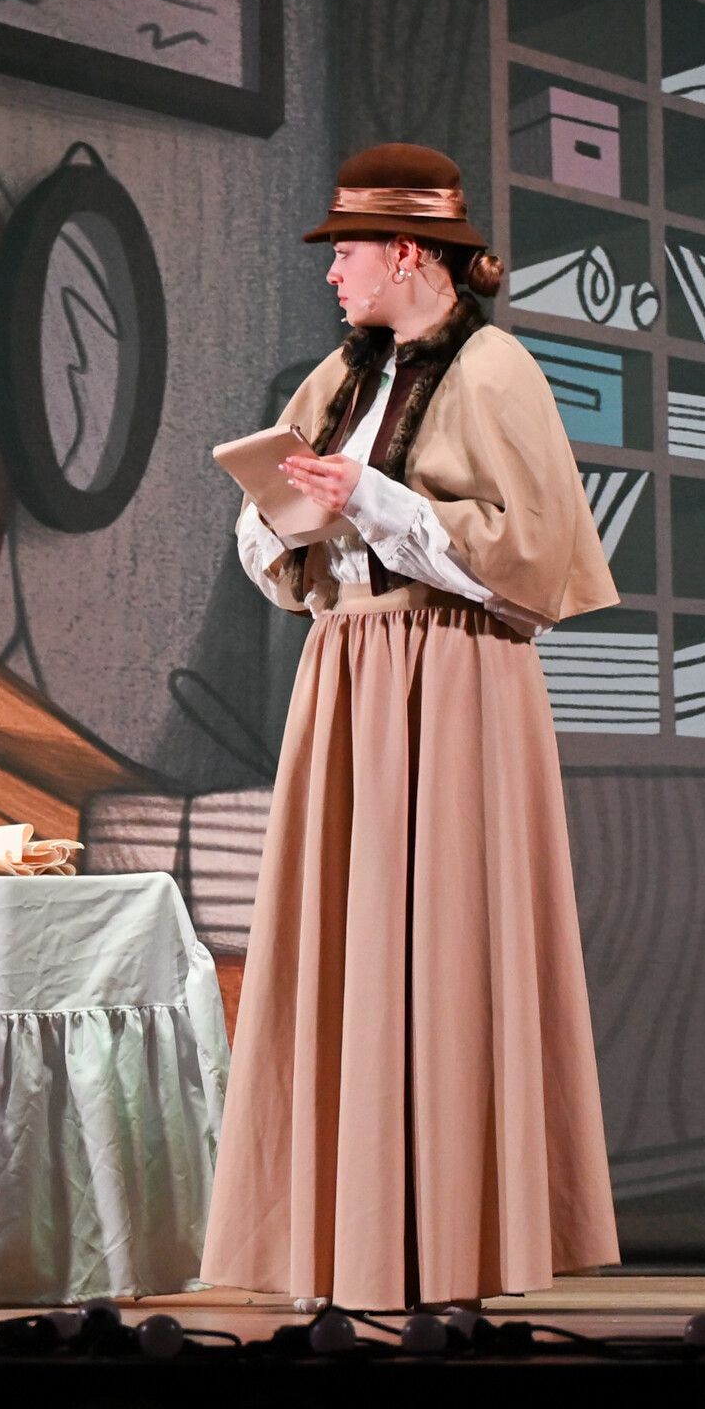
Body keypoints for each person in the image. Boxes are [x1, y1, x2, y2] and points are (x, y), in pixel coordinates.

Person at [200, 143, 623, 1311]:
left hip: (451, 675)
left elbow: (527, 558)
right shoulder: (341, 377)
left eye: (347, 253)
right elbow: (279, 545)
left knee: (444, 939)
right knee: (344, 943)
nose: (333, 275)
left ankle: (448, 1240)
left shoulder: (494, 370)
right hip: (347, 672)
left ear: (406, 252)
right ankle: (343, 1240)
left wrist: (376, 500)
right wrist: (286, 515)